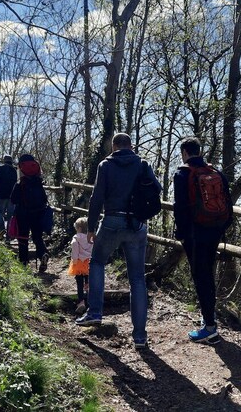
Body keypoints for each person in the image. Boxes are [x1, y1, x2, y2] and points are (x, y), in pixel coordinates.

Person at [76, 133, 162, 350]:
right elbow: (157, 189)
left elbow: (97, 197)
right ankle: (140, 337)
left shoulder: (106, 165)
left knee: (97, 262)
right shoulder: (142, 164)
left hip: (112, 220)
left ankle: (95, 312)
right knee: (137, 279)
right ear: (130, 146)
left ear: (114, 146)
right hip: (137, 224)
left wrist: (92, 227)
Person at [172, 137, 233, 344]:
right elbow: (229, 206)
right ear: (199, 151)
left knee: (201, 276)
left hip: (194, 233)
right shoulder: (216, 173)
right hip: (214, 230)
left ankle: (210, 328)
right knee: (208, 273)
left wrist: (181, 234)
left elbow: (179, 208)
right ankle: (209, 319)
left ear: (185, 153)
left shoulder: (182, 174)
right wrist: (220, 227)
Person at [10, 154, 49, 271]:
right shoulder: (39, 182)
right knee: (37, 237)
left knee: (23, 237)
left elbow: (13, 199)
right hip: (38, 213)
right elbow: (44, 199)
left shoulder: (20, 183)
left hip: (22, 214)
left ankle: (23, 263)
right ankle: (42, 254)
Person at [68, 217, 92, 314]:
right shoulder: (91, 238)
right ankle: (90, 301)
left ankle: (81, 301)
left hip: (79, 263)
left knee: (79, 282)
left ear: (79, 228)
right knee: (88, 282)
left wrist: (74, 261)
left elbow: (75, 251)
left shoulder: (76, 238)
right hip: (89, 262)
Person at [0, 156, 17, 239]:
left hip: (0, 195)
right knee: (10, 216)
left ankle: (2, 228)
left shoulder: (0, 169)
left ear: (4, 161)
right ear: (11, 161)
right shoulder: (14, 170)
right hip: (11, 197)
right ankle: (8, 237)